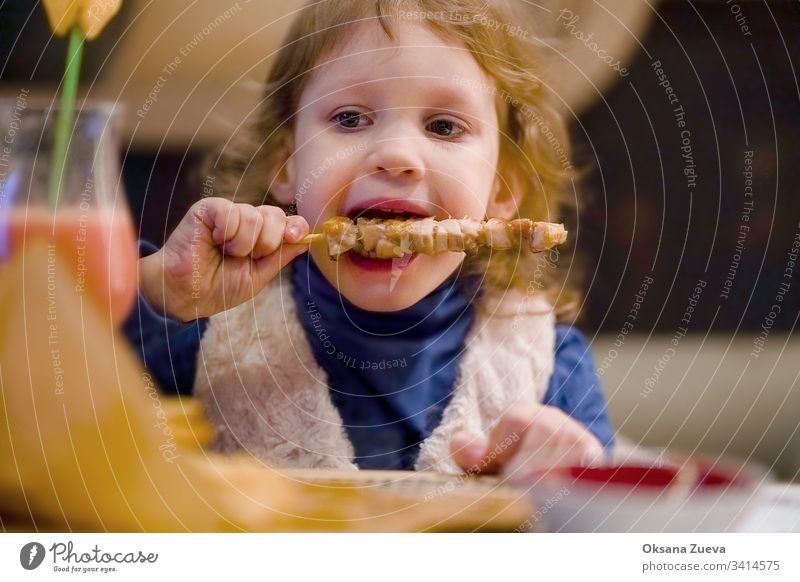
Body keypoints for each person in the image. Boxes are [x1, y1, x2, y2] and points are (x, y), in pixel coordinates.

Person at [125, 0, 614, 476]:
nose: (397, 153)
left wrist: (569, 490)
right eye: (350, 119)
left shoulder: (550, 365)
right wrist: (161, 291)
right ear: (286, 164)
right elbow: (66, 401)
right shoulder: (203, 331)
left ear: (503, 187)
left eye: (444, 126)